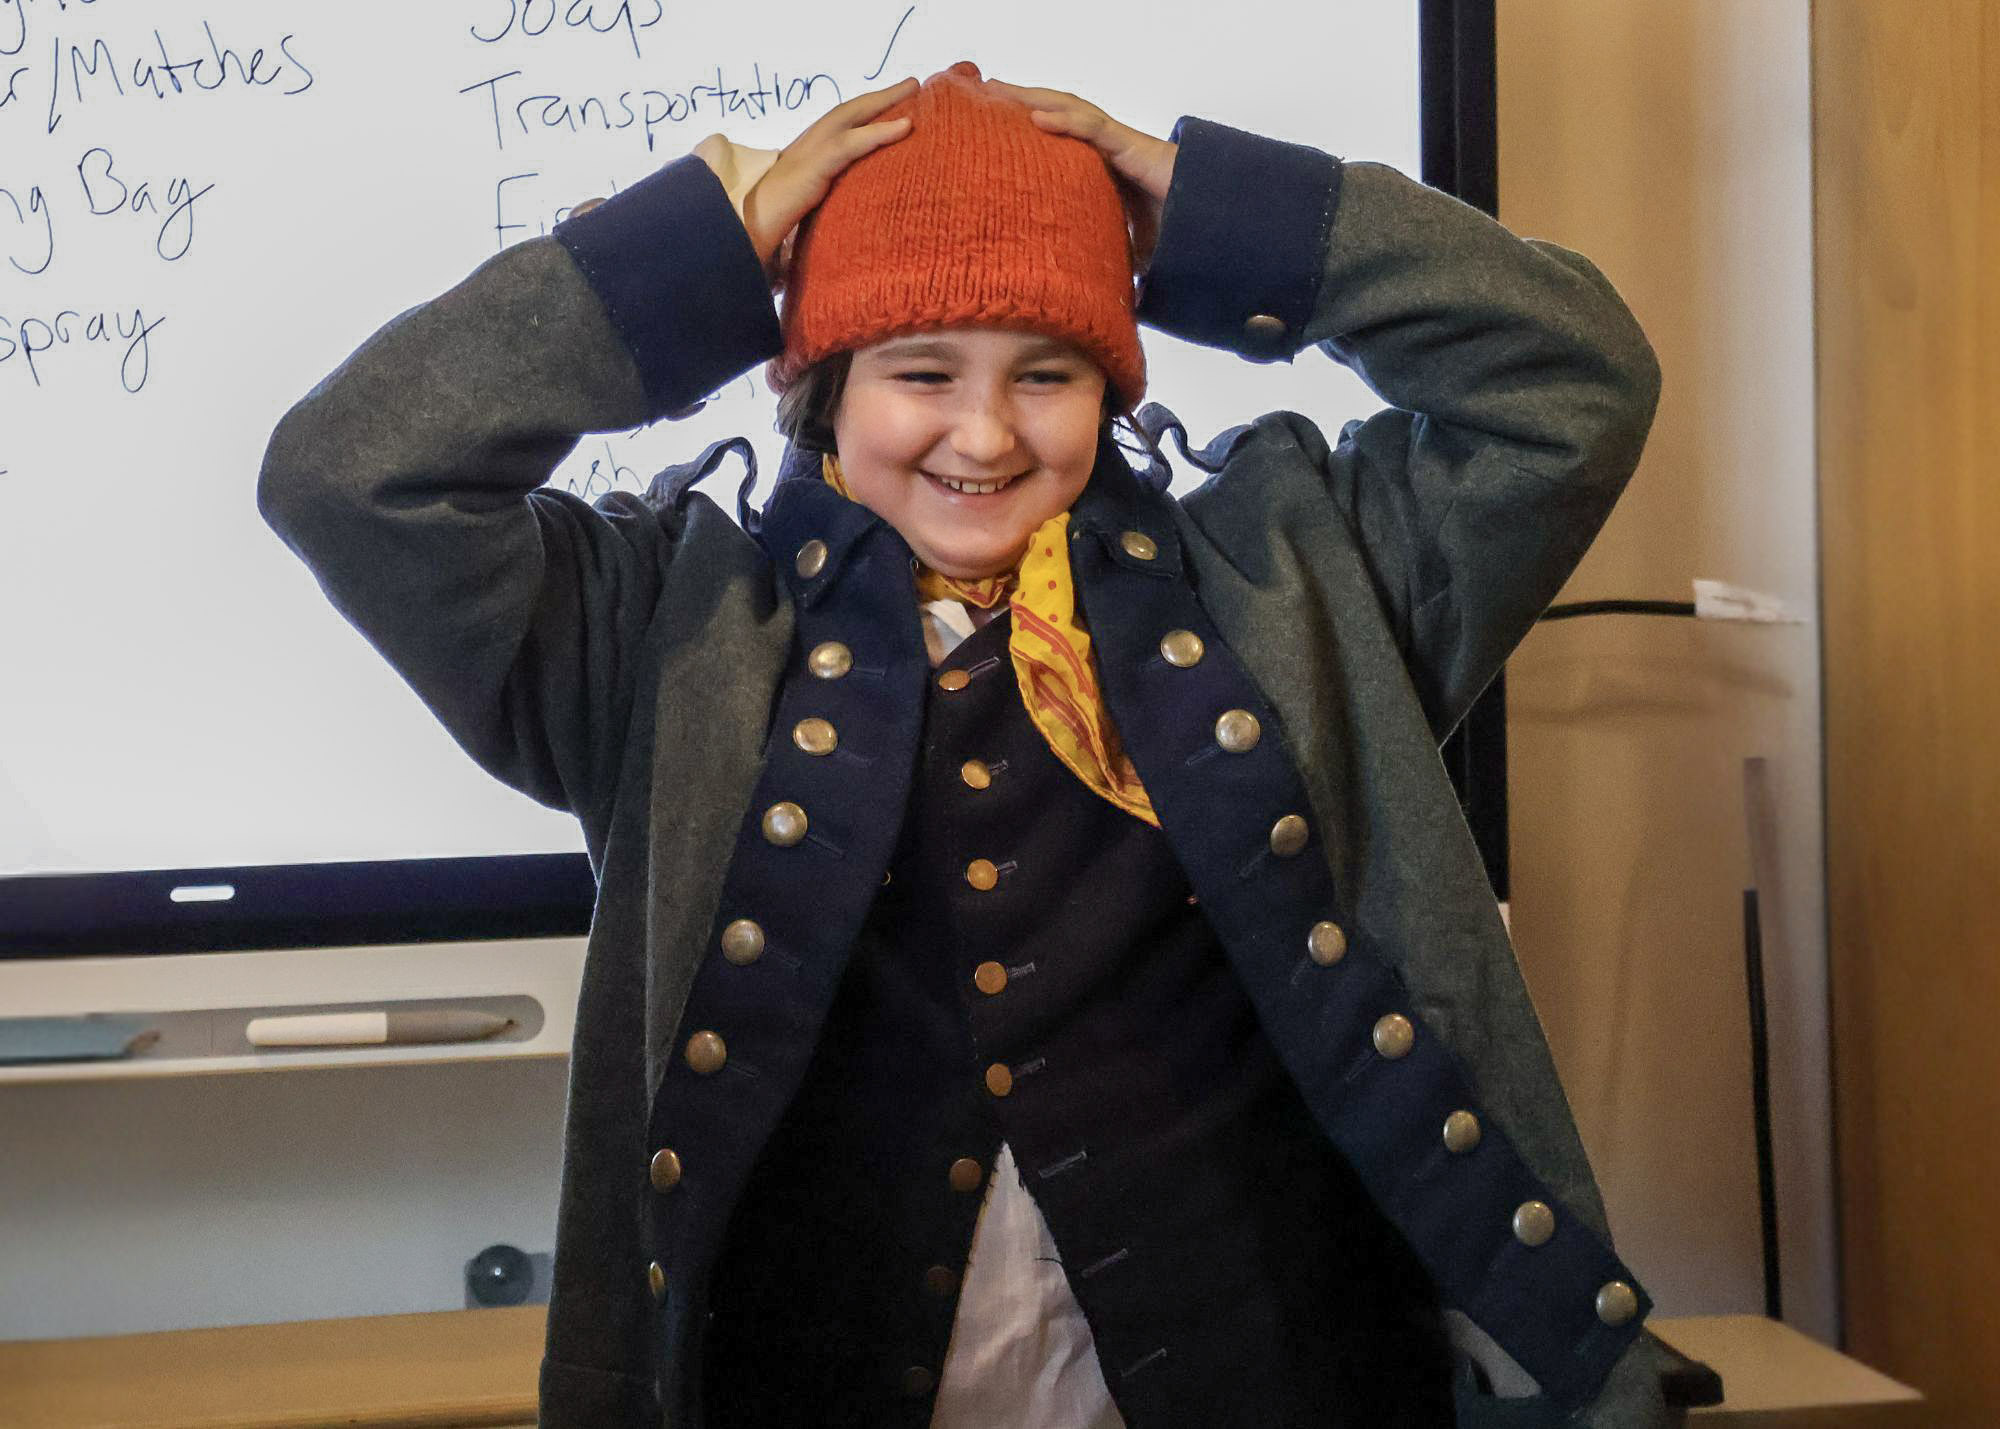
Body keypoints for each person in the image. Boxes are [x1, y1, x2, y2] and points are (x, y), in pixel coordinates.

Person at [260, 62, 1665, 1429]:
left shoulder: (1301, 580)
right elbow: (350, 475)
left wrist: (1233, 223)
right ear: (821, 392)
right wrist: (691, 254)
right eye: (921, 371)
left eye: (1046, 373)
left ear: (1109, 391)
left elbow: (1575, 386)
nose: (983, 435)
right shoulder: (665, 635)